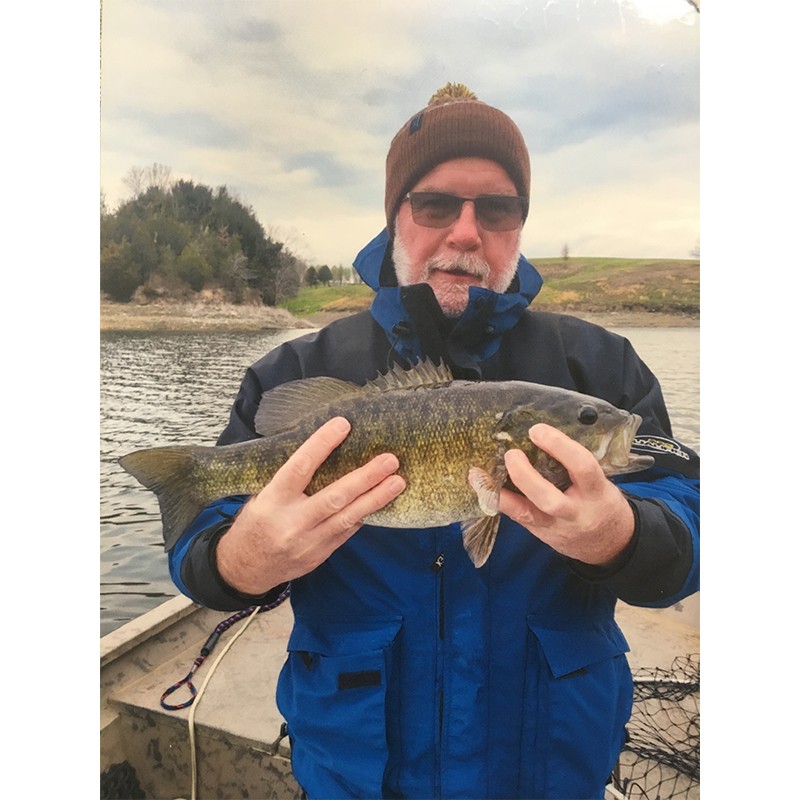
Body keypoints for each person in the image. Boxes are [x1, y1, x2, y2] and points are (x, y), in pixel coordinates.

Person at [168, 83, 700, 800]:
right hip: (358, 770)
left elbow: (688, 524)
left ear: (520, 224)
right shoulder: (293, 373)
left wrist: (624, 536)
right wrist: (242, 559)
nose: (466, 233)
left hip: (552, 768)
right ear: (396, 217)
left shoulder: (599, 374)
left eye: (499, 208)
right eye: (437, 205)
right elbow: (199, 550)